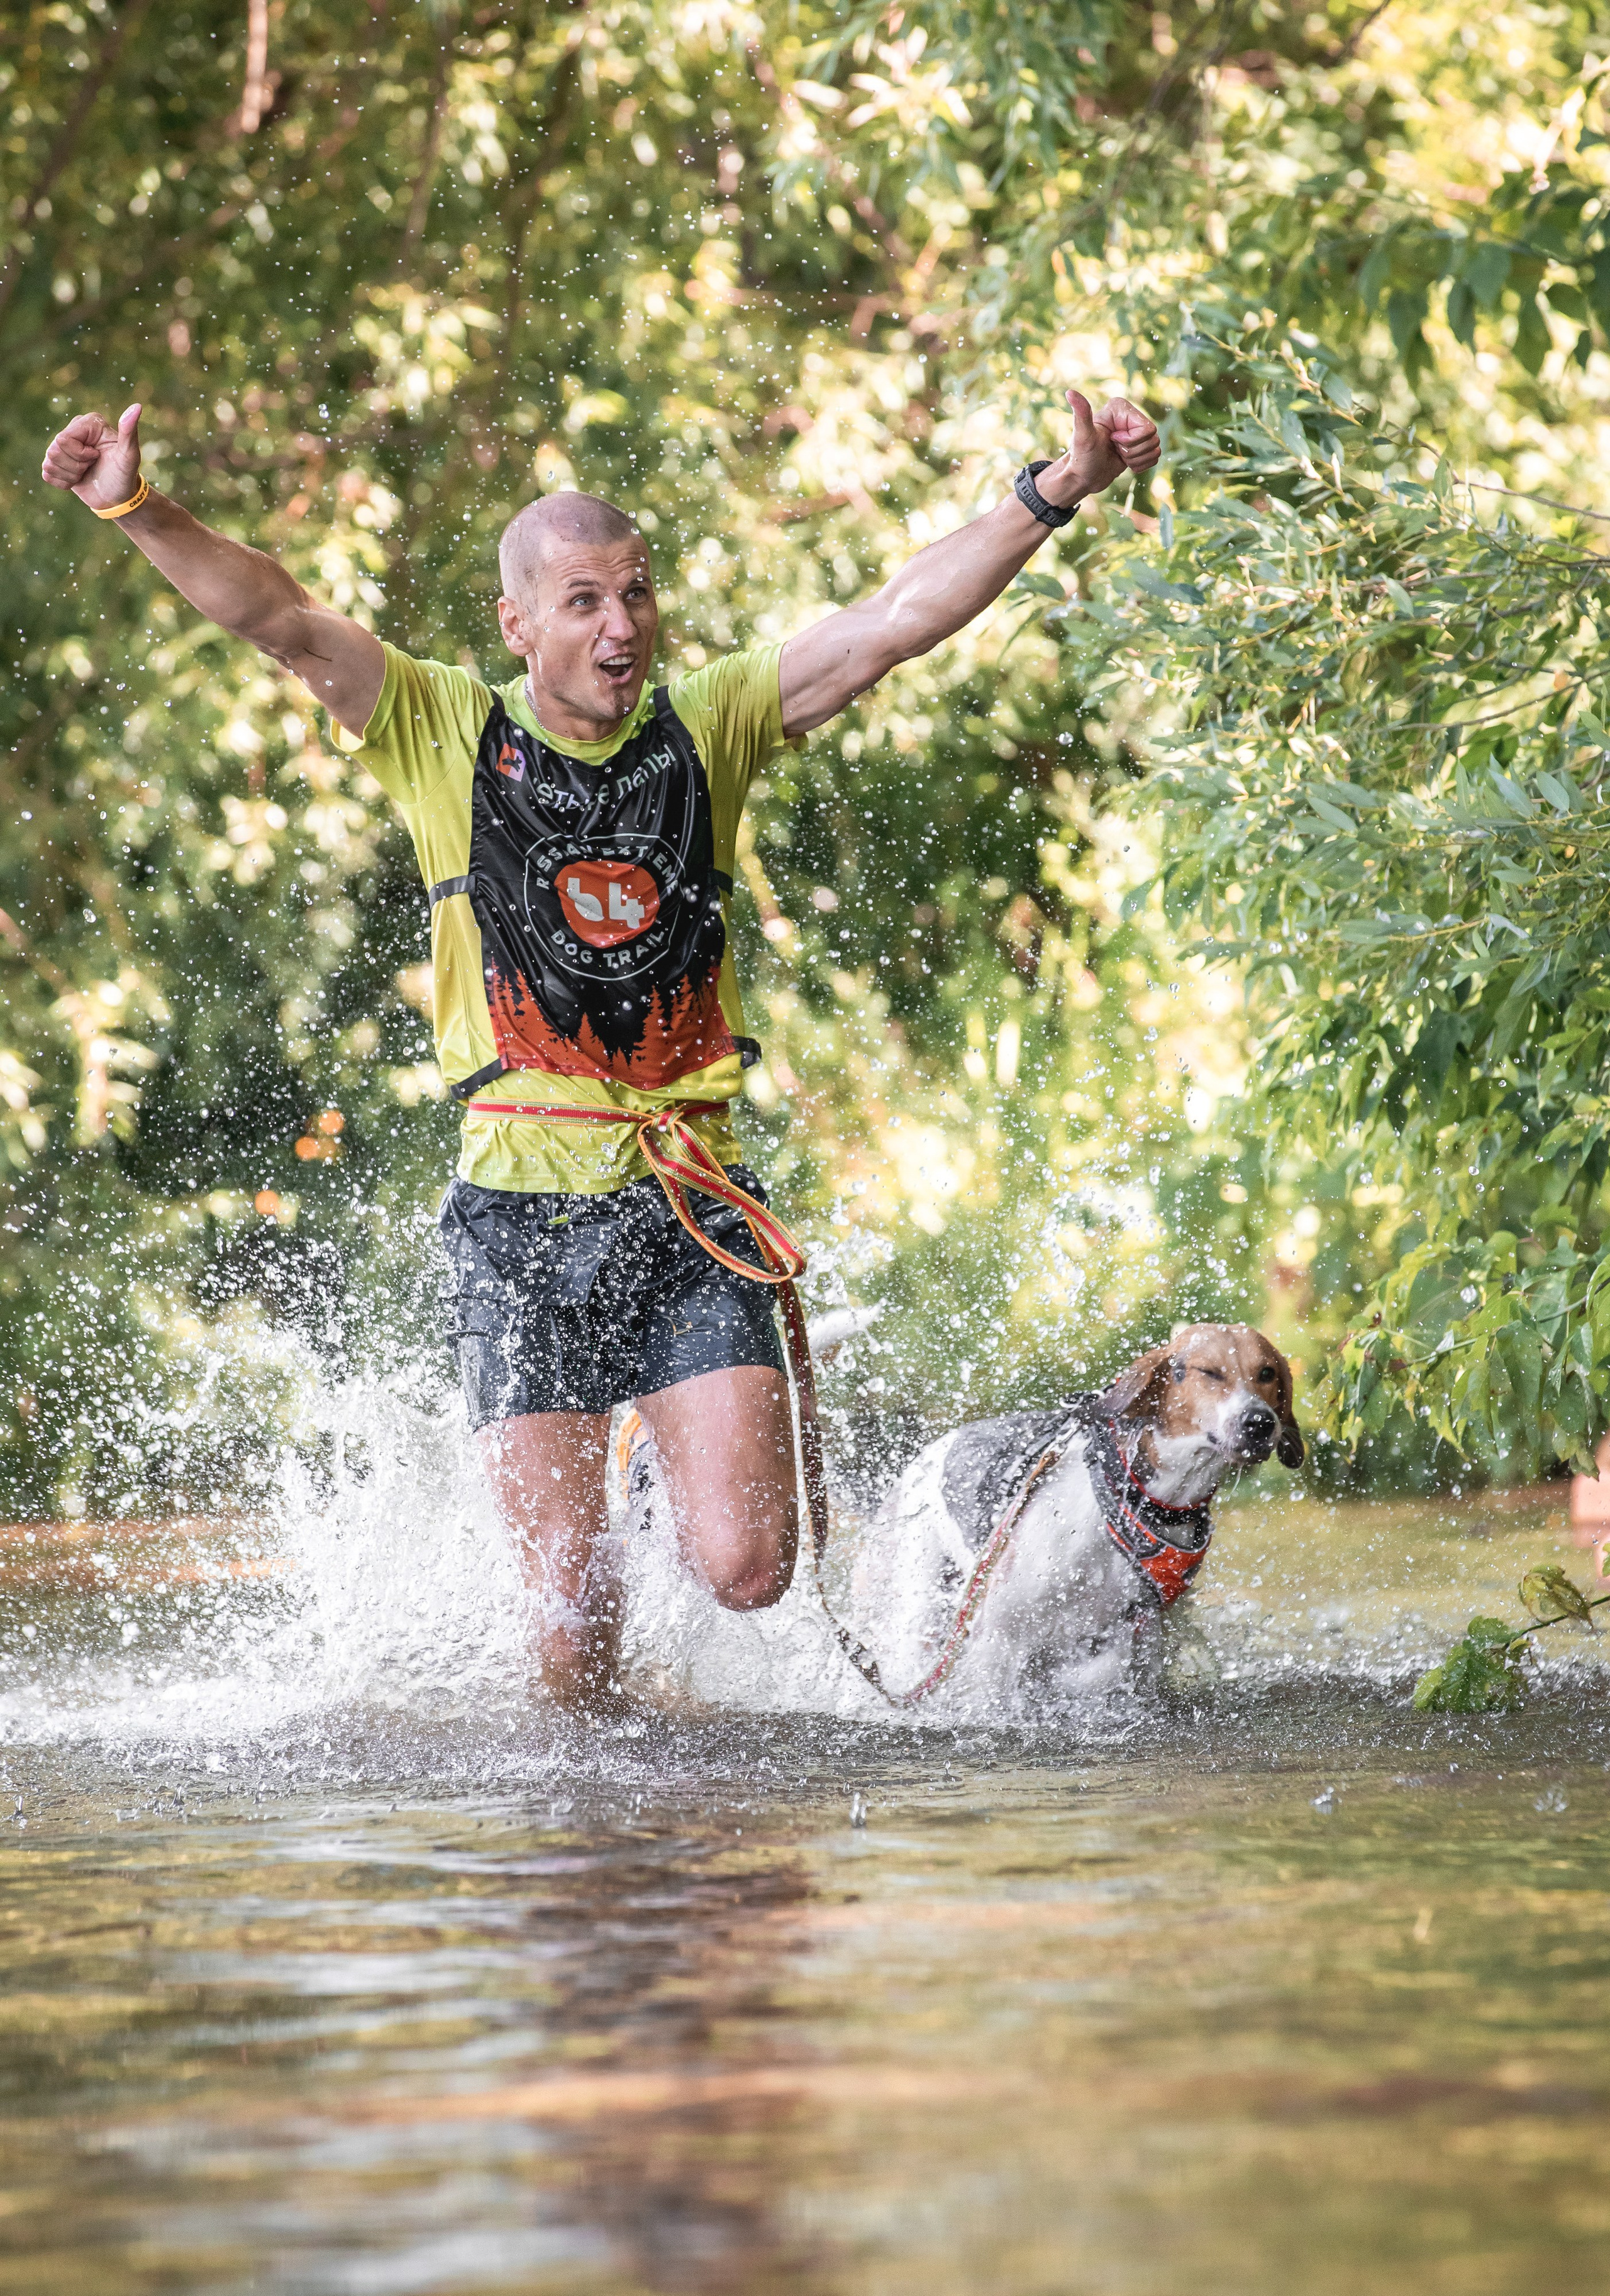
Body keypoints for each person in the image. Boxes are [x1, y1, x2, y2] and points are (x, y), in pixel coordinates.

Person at [41, 384, 1161, 1710]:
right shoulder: (442, 729)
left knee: (749, 1568)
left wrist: (1053, 490)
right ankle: (605, 1794)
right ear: (517, 624)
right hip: (517, 1217)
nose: (620, 624)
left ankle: (654, 1455)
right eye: (583, 601)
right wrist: (131, 502)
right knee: (574, 1638)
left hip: (688, 1203)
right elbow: (276, 616)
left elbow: (891, 622)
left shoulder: (712, 723)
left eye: (635, 593)